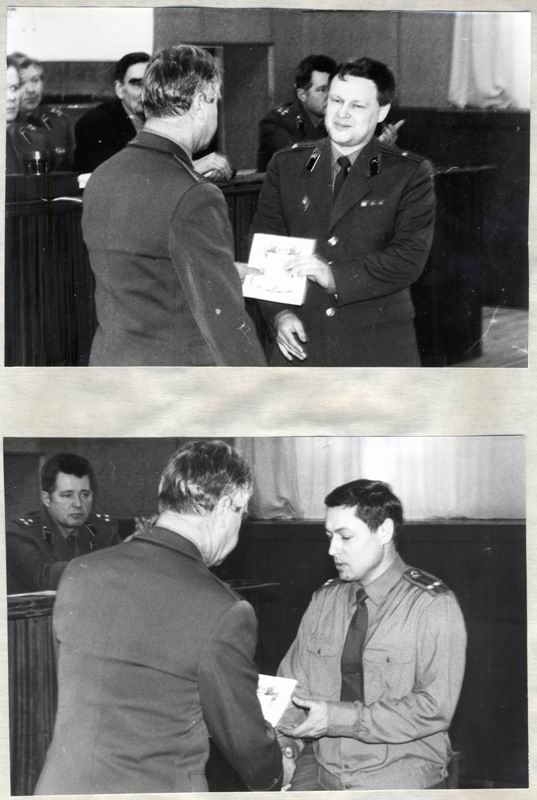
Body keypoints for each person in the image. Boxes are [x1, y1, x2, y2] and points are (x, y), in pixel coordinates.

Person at [35, 440, 283, 794]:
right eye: (241, 515)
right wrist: (276, 774)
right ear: (225, 507)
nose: (238, 529)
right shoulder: (224, 609)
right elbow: (246, 745)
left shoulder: (79, 572)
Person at [276, 479, 467, 790]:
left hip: (399, 779)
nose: (332, 550)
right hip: (325, 775)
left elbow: (434, 709)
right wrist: (286, 750)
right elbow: (292, 690)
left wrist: (338, 718)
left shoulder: (432, 606)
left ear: (384, 532)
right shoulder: (324, 601)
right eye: (329, 537)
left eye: (345, 537)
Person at [82, 45, 265, 366]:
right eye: (216, 101)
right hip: (175, 377)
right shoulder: (196, 194)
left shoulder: (102, 175)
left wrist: (221, 273)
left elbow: (143, 271)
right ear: (201, 102)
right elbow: (223, 320)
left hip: (112, 366)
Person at [250, 57, 435, 366]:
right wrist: (278, 314)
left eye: (357, 105)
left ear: (382, 112)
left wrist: (334, 276)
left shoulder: (408, 173)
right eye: (336, 100)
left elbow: (408, 258)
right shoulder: (288, 164)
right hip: (300, 344)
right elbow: (263, 245)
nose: (342, 113)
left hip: (376, 347)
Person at [74, 50, 232, 181]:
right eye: (137, 84)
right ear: (119, 89)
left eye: (150, 84)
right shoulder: (95, 124)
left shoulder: (175, 117)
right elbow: (110, 180)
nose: (145, 92)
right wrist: (190, 168)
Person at [6, 453, 120, 594]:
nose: (78, 504)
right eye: (67, 495)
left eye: (85, 494)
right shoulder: (20, 534)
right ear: (46, 499)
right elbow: (45, 579)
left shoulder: (103, 530)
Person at [257, 54, 336, 172]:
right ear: (302, 95)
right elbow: (306, 165)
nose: (330, 96)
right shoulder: (277, 123)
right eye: (322, 90)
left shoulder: (336, 120)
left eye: (333, 89)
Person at [10, 52, 74, 170]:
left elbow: (70, 170)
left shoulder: (59, 121)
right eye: (22, 83)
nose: (31, 90)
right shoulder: (8, 125)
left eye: (35, 80)